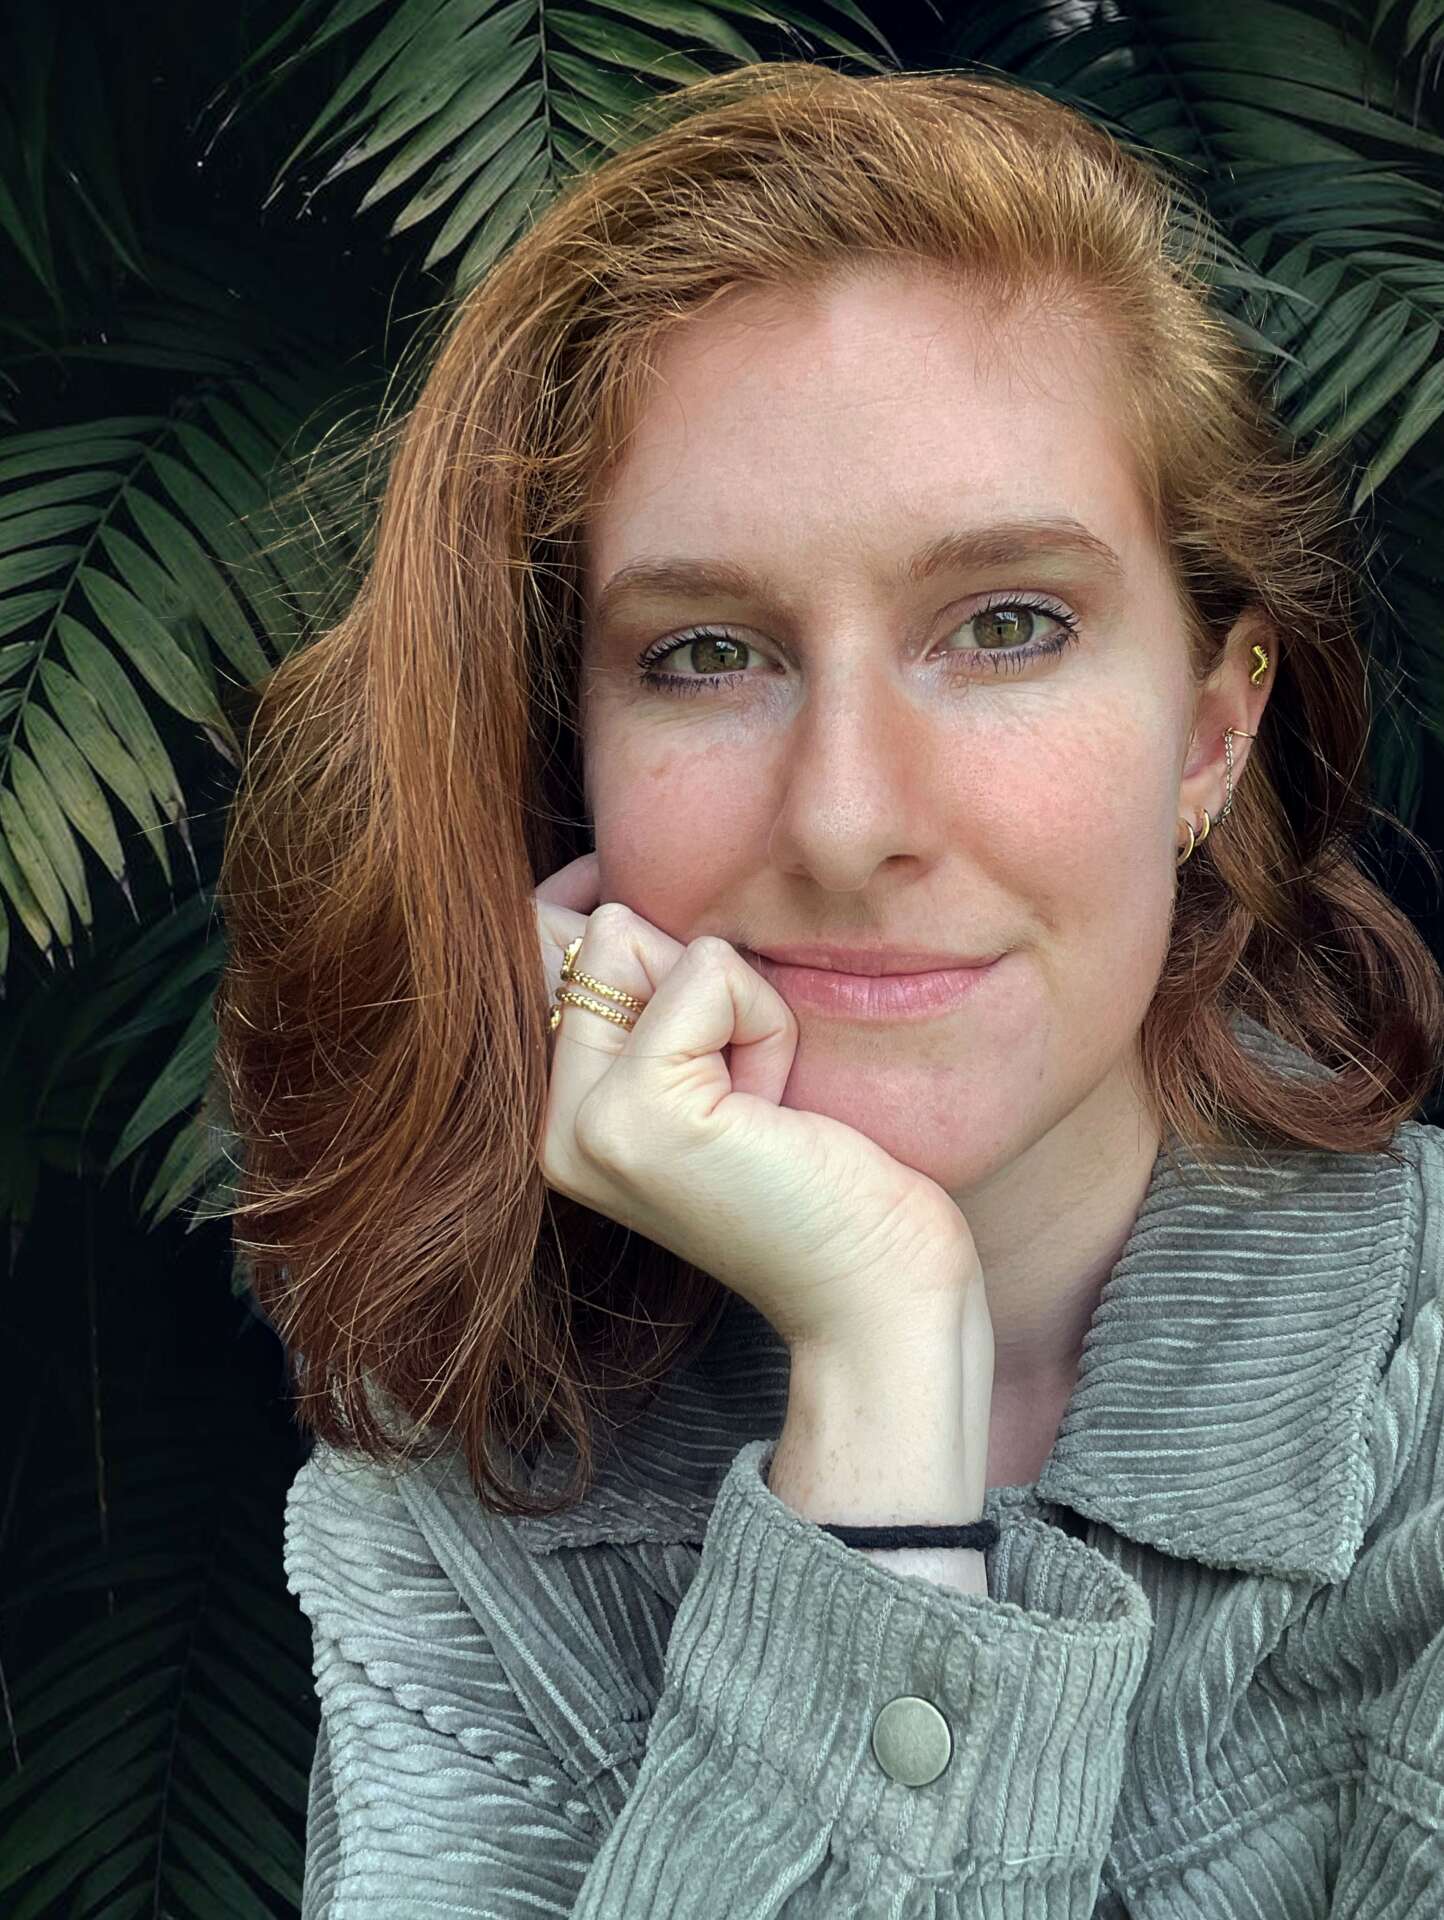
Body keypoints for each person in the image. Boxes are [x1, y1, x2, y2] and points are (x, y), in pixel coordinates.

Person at [213, 61, 1444, 1917]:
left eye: (1007, 625)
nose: (849, 818)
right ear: (577, 754)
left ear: (1210, 731)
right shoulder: (459, 1509)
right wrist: (881, 1379)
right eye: (706, 654)